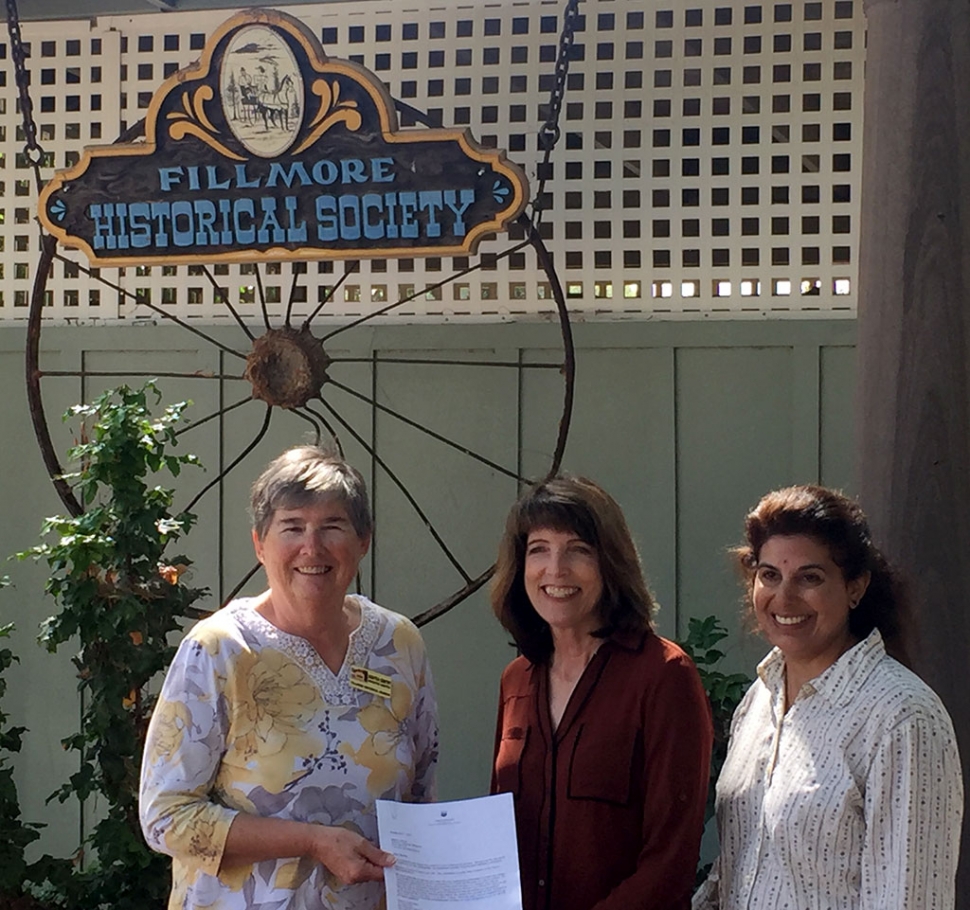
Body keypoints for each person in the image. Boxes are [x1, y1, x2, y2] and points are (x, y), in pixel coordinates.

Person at [140, 446, 438, 910]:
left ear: (364, 541)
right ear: (260, 544)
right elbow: (166, 817)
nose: (311, 548)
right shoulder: (218, 651)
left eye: (332, 526)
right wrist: (312, 841)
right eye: (292, 527)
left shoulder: (398, 645)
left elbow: (419, 799)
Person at [693, 484, 963, 910]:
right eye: (770, 575)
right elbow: (734, 877)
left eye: (810, 577)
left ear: (855, 587)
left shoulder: (902, 716)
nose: (785, 598)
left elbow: (911, 900)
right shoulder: (760, 699)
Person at [491, 475, 713, 910]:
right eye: (539, 549)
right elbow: (499, 846)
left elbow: (672, 860)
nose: (556, 570)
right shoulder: (515, 681)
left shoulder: (664, 676)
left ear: (609, 562)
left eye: (578, 550)